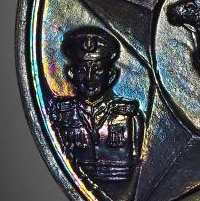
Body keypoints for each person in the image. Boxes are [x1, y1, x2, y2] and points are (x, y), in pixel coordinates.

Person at [49, 26, 143, 182]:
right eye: (82, 70)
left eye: (98, 70)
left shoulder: (130, 117)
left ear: (111, 75)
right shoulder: (61, 114)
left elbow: (137, 160)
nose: (89, 78)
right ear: (71, 74)